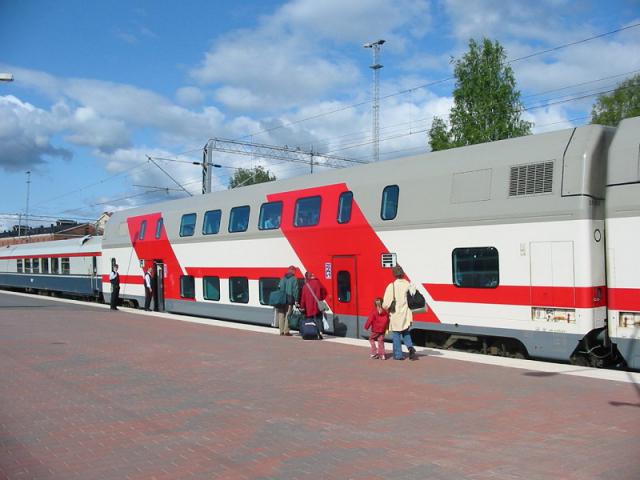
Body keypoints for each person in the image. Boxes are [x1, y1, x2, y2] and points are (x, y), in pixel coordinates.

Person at [382, 265, 417, 360]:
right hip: (406, 313)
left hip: (395, 314)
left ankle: (398, 355)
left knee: (396, 334)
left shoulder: (392, 286)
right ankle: (410, 348)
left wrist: (385, 307)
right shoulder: (408, 284)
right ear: (403, 274)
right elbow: (413, 295)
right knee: (406, 331)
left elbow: (386, 303)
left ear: (394, 274)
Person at [299, 271, 328, 339]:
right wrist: (320, 298)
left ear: (306, 277)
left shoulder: (305, 286)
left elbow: (303, 299)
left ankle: (312, 333)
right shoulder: (317, 283)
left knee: (311, 320)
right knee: (318, 319)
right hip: (317, 306)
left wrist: (302, 307)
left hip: (309, 307)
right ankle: (320, 333)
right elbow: (324, 291)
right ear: (311, 276)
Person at [276, 266, 299, 336]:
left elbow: (278, 288)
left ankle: (281, 331)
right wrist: (296, 300)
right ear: (293, 271)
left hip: (281, 299)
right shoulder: (294, 279)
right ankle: (286, 331)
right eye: (295, 270)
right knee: (288, 315)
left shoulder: (282, 278)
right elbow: (295, 290)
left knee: (281, 314)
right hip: (289, 300)